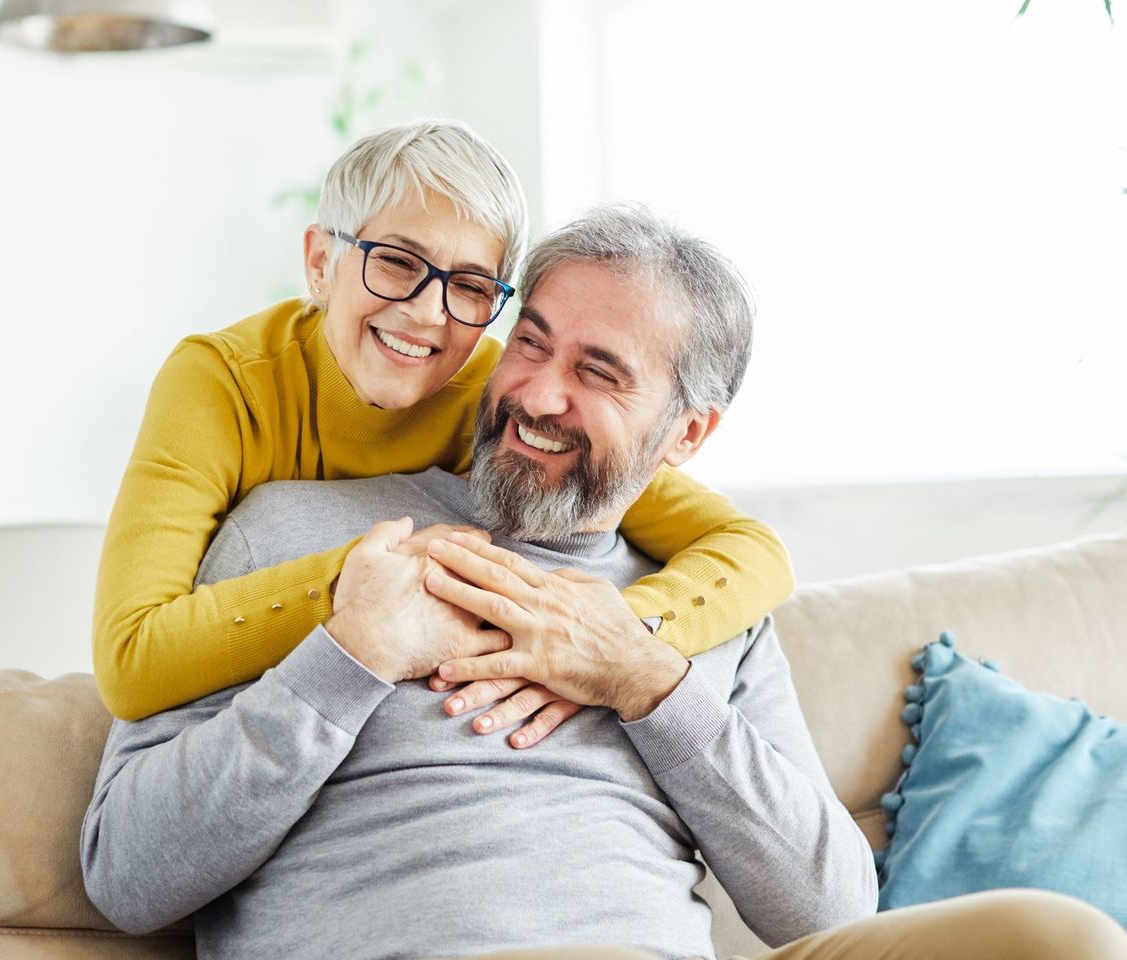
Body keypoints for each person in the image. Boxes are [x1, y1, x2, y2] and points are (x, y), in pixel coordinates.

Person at [81, 206, 1127, 960]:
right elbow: (128, 878)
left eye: (598, 370)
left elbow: (830, 909)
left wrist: (649, 687)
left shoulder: (693, 613)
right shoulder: (298, 539)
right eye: (527, 343)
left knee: (1056, 936)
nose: (536, 392)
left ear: (688, 434)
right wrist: (346, 660)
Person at [91, 120, 795, 746]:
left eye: (469, 286)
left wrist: (601, 635)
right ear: (320, 263)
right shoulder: (221, 382)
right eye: (396, 261)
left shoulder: (505, 399)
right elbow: (130, 661)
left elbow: (750, 551)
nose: (428, 314)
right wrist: (365, 588)